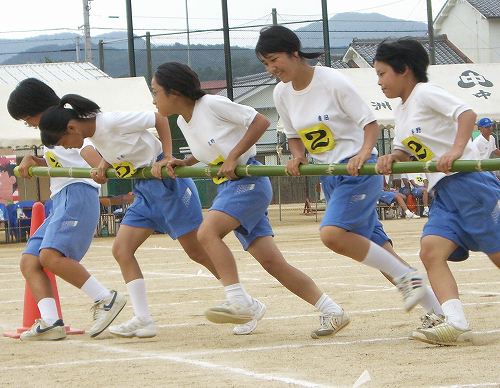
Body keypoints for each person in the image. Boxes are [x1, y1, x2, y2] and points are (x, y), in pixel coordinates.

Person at [255, 25, 440, 329]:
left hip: (358, 170)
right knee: (382, 253)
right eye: (265, 64)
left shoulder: (331, 80)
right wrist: (298, 156)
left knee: (333, 234)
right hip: (330, 176)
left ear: (294, 52)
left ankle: (410, 280)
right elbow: (293, 136)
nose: (271, 69)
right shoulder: (281, 93)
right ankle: (437, 312)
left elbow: (370, 124)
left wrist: (363, 153)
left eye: (274, 59)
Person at [152, 62, 348, 338]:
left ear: (173, 92)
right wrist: (185, 160)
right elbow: (211, 145)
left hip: (250, 183)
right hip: (230, 188)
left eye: (155, 91)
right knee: (272, 263)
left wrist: (233, 157)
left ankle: (239, 301)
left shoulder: (212, 104)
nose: (153, 98)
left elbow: (260, 121)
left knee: (207, 232)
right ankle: (332, 310)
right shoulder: (184, 121)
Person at [37, 93, 220, 339]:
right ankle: (143, 319)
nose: (67, 147)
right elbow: (120, 153)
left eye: (64, 142)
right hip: (143, 189)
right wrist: (104, 164)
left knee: (196, 251)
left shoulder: (111, 121)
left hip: (168, 184)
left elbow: (159, 119)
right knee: (122, 249)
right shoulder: (92, 136)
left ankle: (240, 297)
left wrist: (167, 155)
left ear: (71, 127)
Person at [374, 38, 500, 345]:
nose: (378, 82)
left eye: (382, 73)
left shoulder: (426, 93)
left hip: (471, 186)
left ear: (404, 70)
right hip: (443, 192)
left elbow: (466, 114)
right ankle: (455, 322)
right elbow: (407, 148)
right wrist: (392, 157)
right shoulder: (401, 109)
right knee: (430, 250)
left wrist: (457, 149)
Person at [7, 78, 126, 340]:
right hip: (59, 200)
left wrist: (100, 166)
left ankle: (106, 298)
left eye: (27, 118)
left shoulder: (67, 123)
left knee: (50, 257)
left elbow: (87, 149)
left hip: (77, 195)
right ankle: (51, 322)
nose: (28, 124)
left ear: (39, 108)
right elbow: (58, 159)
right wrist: (32, 159)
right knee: (30, 261)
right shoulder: (50, 134)